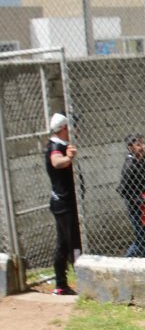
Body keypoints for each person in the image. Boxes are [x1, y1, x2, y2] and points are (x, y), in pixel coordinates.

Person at [45, 112, 81, 295]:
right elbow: (56, 161)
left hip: (64, 203)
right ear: (64, 128)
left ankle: (61, 284)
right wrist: (68, 158)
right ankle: (81, 281)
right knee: (74, 243)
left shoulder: (61, 145)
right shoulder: (56, 146)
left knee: (64, 244)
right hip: (64, 203)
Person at [117, 134, 145, 257]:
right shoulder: (130, 166)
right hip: (136, 206)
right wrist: (141, 200)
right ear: (130, 148)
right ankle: (124, 265)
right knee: (141, 241)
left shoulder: (144, 161)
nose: (143, 147)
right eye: (139, 145)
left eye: (144, 143)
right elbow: (123, 191)